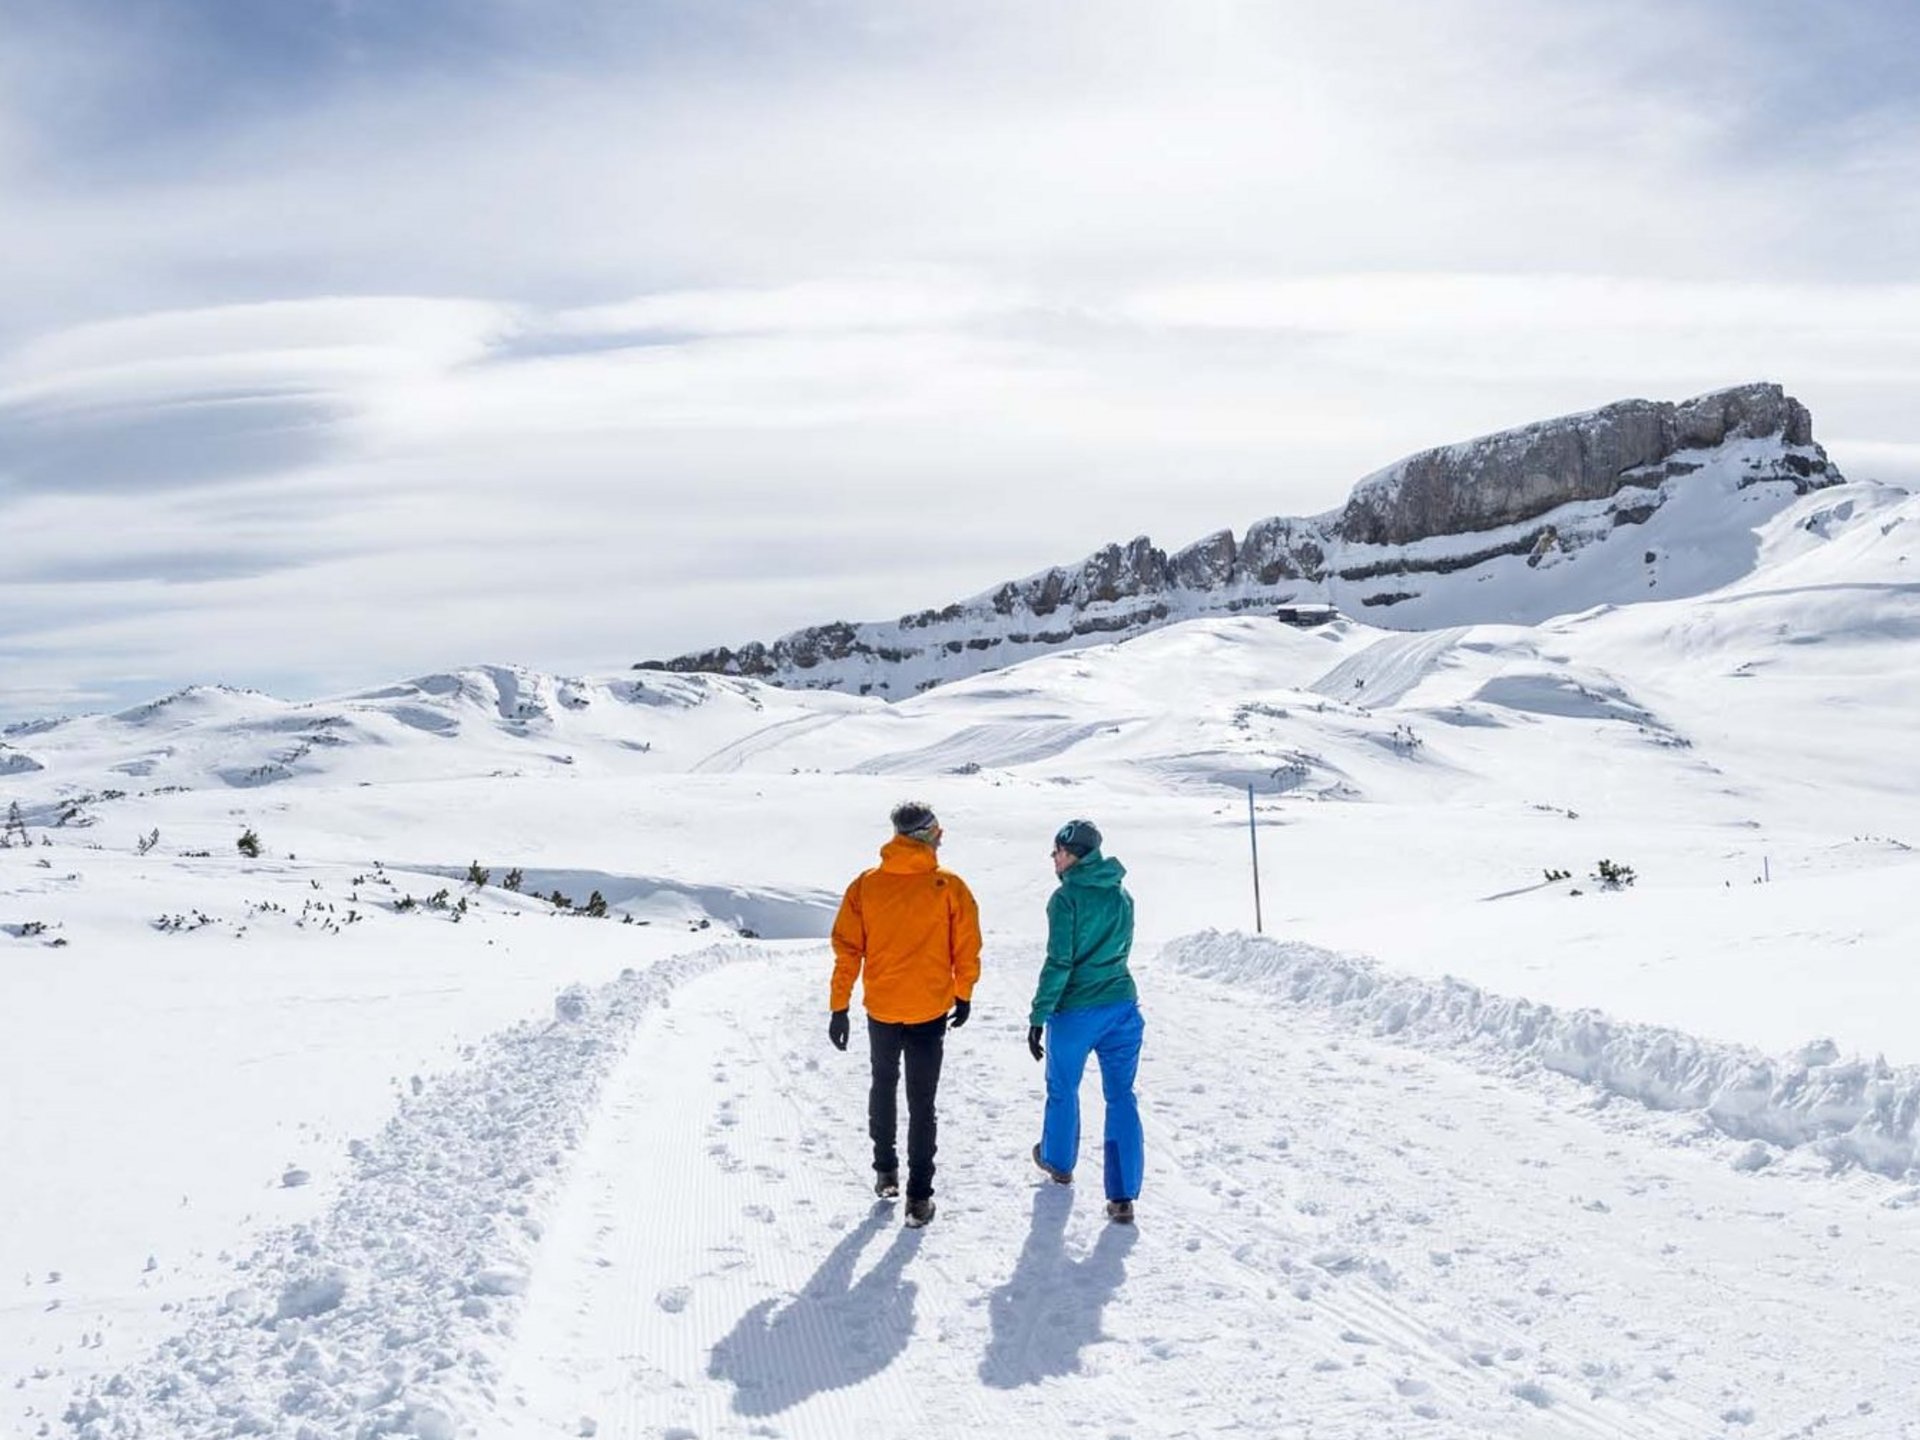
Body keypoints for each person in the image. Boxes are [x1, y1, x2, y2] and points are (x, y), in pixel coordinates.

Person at [829, 801, 982, 1228]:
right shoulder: (949, 885)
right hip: (929, 1010)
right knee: (922, 1102)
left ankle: (885, 1172)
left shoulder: (866, 885)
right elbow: (966, 946)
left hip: (882, 1008)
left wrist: (839, 1006)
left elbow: (847, 951)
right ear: (927, 834)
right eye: (938, 831)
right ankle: (919, 1198)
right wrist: (963, 993)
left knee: (883, 1084)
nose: (941, 837)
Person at [1027, 818, 1143, 1224]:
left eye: (1057, 852)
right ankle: (1122, 1196)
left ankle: (1058, 1162)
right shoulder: (1122, 894)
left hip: (1076, 1011)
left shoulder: (1066, 899)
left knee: (1063, 1088)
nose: (1053, 859)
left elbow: (1059, 962)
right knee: (1121, 1096)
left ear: (1072, 854)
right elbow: (1121, 949)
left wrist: (1038, 1014)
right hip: (1122, 1007)